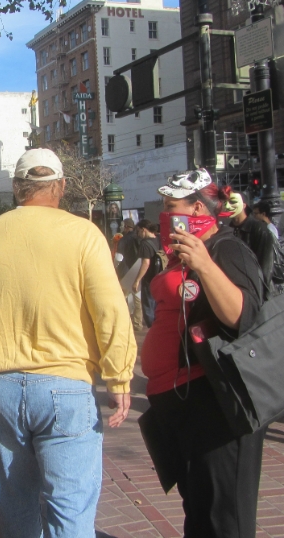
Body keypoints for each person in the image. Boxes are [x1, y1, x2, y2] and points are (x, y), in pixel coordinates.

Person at [0, 149, 136, 538]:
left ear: (17, 189)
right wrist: (119, 379)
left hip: (1, 384)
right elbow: (111, 313)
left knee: (15, 502)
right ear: (61, 187)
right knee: (69, 506)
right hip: (66, 384)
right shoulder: (84, 233)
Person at [140, 169, 264, 538]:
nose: (165, 215)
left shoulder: (227, 248)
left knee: (224, 517)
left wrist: (205, 265)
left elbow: (243, 315)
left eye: (171, 207)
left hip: (215, 407)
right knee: (199, 510)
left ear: (197, 209)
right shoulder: (186, 251)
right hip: (184, 405)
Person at [225, 192, 275, 288]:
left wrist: (259, 291)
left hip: (255, 289)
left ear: (244, 205)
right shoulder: (227, 230)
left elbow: (266, 266)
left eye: (232, 202)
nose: (227, 206)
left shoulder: (260, 229)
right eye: (224, 202)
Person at [132, 219, 161, 328]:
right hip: (160, 276)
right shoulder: (159, 240)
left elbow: (145, 263)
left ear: (144, 230)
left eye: (139, 231)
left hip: (149, 279)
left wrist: (137, 280)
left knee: (148, 307)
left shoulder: (145, 244)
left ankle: (153, 329)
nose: (138, 234)